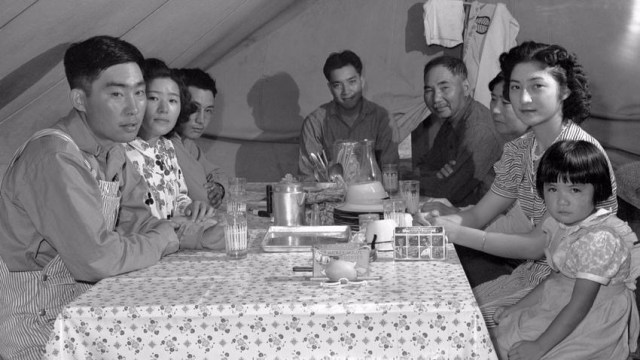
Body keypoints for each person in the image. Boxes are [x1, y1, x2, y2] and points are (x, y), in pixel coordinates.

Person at [416, 41, 619, 328]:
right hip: (535, 275)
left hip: (579, 290)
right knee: (442, 308)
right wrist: (436, 223)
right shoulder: (521, 149)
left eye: (536, 86)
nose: (523, 99)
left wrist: (458, 233)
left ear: (564, 91)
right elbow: (478, 215)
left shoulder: (577, 154)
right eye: (515, 87)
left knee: (457, 324)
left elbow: (540, 245)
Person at [0, 36, 180, 359]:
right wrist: (163, 239)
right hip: (37, 325)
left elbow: (139, 222)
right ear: (80, 100)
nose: (133, 108)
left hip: (82, 312)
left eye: (139, 93)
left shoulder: (114, 152)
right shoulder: (53, 158)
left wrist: (196, 234)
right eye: (116, 94)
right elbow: (98, 260)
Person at [494, 140, 639, 359]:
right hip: (561, 301)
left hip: (591, 318)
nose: (562, 200)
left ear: (597, 191)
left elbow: (580, 306)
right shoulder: (557, 225)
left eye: (575, 189)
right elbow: (555, 278)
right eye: (552, 188)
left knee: (523, 351)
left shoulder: (599, 240)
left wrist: (539, 346)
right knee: (500, 338)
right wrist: (517, 308)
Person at [125, 58, 224, 249]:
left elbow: (179, 196)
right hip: (142, 252)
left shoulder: (166, 148)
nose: (164, 109)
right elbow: (128, 223)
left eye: (172, 100)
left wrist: (190, 207)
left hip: (172, 244)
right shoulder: (122, 152)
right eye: (154, 98)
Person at [414, 56, 503, 207]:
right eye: (429, 90)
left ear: (466, 88)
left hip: (488, 222)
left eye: (445, 88)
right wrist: (436, 175)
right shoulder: (452, 120)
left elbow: (449, 191)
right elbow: (423, 166)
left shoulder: (478, 128)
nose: (436, 98)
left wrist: (412, 182)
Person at [298, 50, 399, 181]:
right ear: (330, 88)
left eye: (352, 82)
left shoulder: (382, 119)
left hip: (373, 198)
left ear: (362, 82)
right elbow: (308, 178)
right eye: (337, 85)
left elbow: (390, 173)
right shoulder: (315, 123)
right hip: (329, 199)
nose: (346, 91)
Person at [170, 68, 227, 209]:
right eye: (193, 108)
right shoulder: (168, 144)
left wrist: (219, 188)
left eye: (208, 111)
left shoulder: (187, 143)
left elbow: (217, 173)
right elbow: (204, 198)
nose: (201, 120)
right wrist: (212, 194)